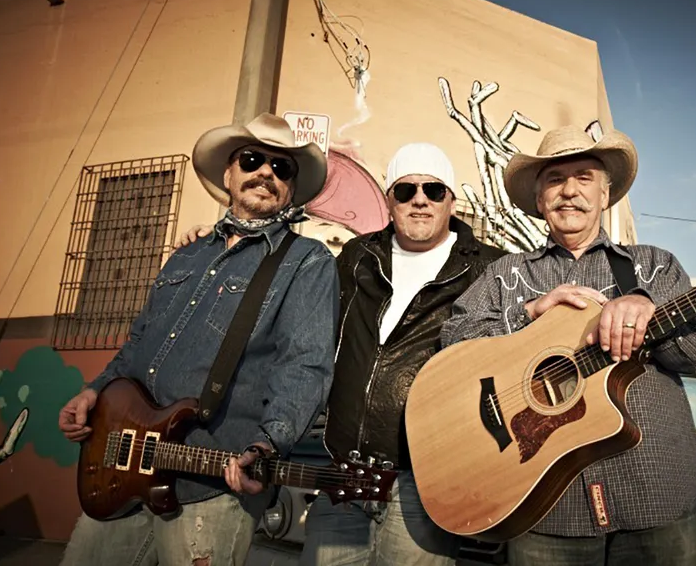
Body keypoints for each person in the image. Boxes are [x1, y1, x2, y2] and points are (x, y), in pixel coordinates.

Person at [173, 142, 508, 565]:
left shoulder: (493, 268)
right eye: (405, 191)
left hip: (426, 480)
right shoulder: (356, 257)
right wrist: (224, 243)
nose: (419, 200)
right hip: (343, 474)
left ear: (450, 201)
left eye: (433, 190)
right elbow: (294, 307)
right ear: (390, 201)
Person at [57, 113, 340, 566]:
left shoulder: (307, 261)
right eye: (252, 160)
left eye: (281, 168)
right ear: (229, 174)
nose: (266, 173)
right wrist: (95, 390)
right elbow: (139, 343)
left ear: (289, 188)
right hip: (123, 471)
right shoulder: (187, 254)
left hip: (212, 486)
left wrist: (268, 444)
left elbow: (304, 366)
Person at [439, 124, 696, 566]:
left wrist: (647, 309)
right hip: (544, 506)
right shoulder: (505, 276)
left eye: (584, 177)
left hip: (654, 494)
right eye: (555, 179)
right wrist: (527, 313)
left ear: (607, 195)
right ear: (539, 199)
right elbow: (453, 341)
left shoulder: (655, 267)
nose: (569, 191)